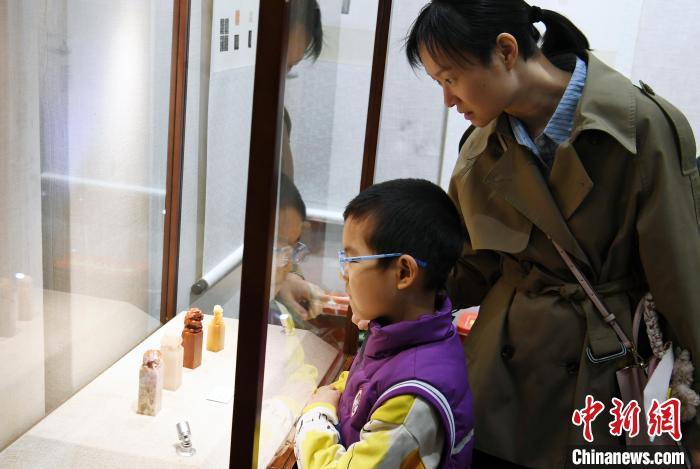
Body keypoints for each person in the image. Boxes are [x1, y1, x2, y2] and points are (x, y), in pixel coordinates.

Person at [405, 1, 700, 467]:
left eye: (450, 78)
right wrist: (393, 289)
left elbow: (681, 280)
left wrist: (695, 425)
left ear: (505, 51)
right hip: (500, 381)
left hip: (604, 377)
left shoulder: (639, 128)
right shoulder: (479, 149)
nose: (448, 99)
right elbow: (471, 268)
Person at [293, 179, 474, 468]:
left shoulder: (411, 401)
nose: (343, 274)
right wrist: (336, 391)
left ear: (404, 273)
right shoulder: (403, 333)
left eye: (352, 259)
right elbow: (367, 380)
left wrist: (316, 416)